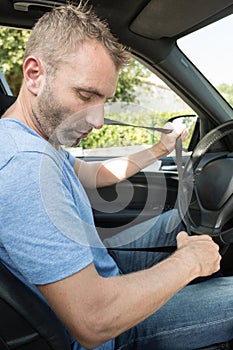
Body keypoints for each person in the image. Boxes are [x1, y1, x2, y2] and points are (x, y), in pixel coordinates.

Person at [0, 4, 232, 350]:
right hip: (114, 331)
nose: (98, 121)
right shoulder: (25, 166)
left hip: (99, 273)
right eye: (85, 95)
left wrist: (158, 149)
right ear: (34, 74)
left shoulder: (32, 139)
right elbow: (95, 322)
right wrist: (189, 262)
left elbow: (91, 175)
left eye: (104, 100)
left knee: (178, 221)